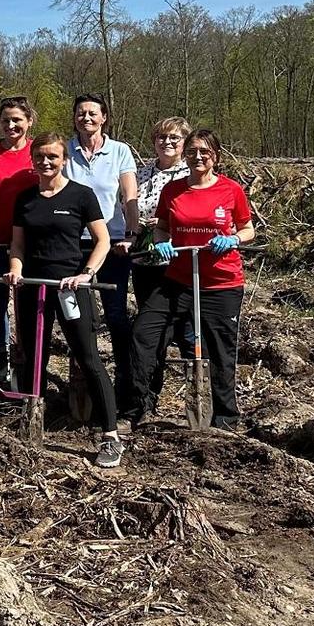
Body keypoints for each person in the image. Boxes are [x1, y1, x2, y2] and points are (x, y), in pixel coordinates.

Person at [130, 128, 257, 430]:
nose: (198, 157)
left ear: (216, 156)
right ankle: (138, 406)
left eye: (205, 152)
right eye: (192, 152)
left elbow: (249, 228)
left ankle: (225, 417)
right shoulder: (173, 190)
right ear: (185, 155)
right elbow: (162, 226)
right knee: (144, 334)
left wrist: (235, 239)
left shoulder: (231, 190)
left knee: (220, 349)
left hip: (221, 282)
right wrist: (162, 241)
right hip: (178, 278)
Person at [10, 132, 122, 468]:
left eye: (53, 157)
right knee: (34, 357)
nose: (46, 162)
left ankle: (110, 436)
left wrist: (85, 273)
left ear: (64, 160)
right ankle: (31, 426)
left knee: (88, 357)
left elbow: (101, 241)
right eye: (40, 156)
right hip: (33, 287)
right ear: (33, 159)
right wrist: (15, 268)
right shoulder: (25, 198)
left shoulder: (81, 196)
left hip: (71, 287)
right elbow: (18, 245)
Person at [65, 94, 140, 416]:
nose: (86, 119)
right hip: (72, 242)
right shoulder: (65, 150)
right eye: (81, 114)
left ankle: (123, 385)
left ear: (104, 117)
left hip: (111, 241)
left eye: (92, 114)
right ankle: (81, 385)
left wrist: (132, 234)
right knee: (76, 316)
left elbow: (130, 194)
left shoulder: (119, 151)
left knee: (115, 314)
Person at [127, 117, 192, 418]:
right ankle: (148, 392)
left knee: (166, 330)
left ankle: (156, 393)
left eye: (174, 139)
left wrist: (166, 225)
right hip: (144, 259)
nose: (167, 143)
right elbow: (128, 207)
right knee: (151, 328)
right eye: (162, 137)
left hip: (174, 261)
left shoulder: (190, 175)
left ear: (184, 144)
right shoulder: (141, 173)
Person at [0, 97, 37, 377]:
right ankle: (1, 358)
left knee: (29, 303)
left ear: (29, 122)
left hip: (32, 243)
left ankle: (29, 356)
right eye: (6, 120)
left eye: (17, 120)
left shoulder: (39, 153)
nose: (11, 125)